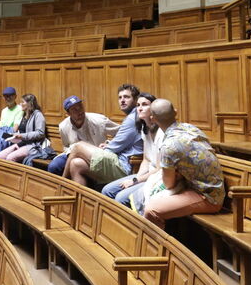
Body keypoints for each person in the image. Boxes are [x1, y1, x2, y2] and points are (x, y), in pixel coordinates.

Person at [133, 99, 225, 227]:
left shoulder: (169, 146)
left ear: (153, 118)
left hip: (208, 196)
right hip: (209, 187)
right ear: (175, 112)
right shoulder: (191, 128)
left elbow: (169, 184)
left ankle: (159, 246)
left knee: (151, 210)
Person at [61, 84, 144, 187]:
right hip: (121, 160)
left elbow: (114, 148)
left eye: (126, 97)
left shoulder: (131, 119)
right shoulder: (132, 116)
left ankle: (62, 183)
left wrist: (107, 147)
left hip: (124, 166)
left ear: (136, 100)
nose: (122, 100)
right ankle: (80, 200)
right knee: (76, 164)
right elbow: (122, 140)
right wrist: (108, 144)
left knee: (78, 147)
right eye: (120, 97)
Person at [102, 93, 160, 205]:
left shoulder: (160, 131)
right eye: (138, 105)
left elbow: (159, 169)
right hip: (146, 174)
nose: (140, 108)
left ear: (153, 108)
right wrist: (137, 178)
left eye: (144, 104)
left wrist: (135, 180)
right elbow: (146, 160)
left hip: (157, 177)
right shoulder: (144, 129)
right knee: (107, 191)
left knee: (120, 198)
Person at [46, 95, 119, 175]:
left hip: (95, 155)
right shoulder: (63, 126)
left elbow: (122, 133)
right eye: (74, 109)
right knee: (53, 166)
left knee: (77, 165)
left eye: (80, 107)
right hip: (73, 155)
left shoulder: (99, 121)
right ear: (68, 113)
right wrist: (71, 153)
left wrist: (109, 144)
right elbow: (66, 146)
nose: (79, 111)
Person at [0, 94, 50, 163]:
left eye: (23, 102)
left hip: (33, 145)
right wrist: (14, 136)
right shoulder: (24, 115)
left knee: (10, 158)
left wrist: (22, 136)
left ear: (29, 104)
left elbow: (40, 133)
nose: (20, 104)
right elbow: (21, 131)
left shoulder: (38, 115)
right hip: (22, 143)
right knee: (0, 156)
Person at [0, 87, 23, 155]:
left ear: (15, 96)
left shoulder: (19, 109)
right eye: (6, 96)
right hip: (0, 137)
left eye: (10, 96)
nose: (8, 98)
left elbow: (14, 130)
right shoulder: (4, 111)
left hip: (7, 140)